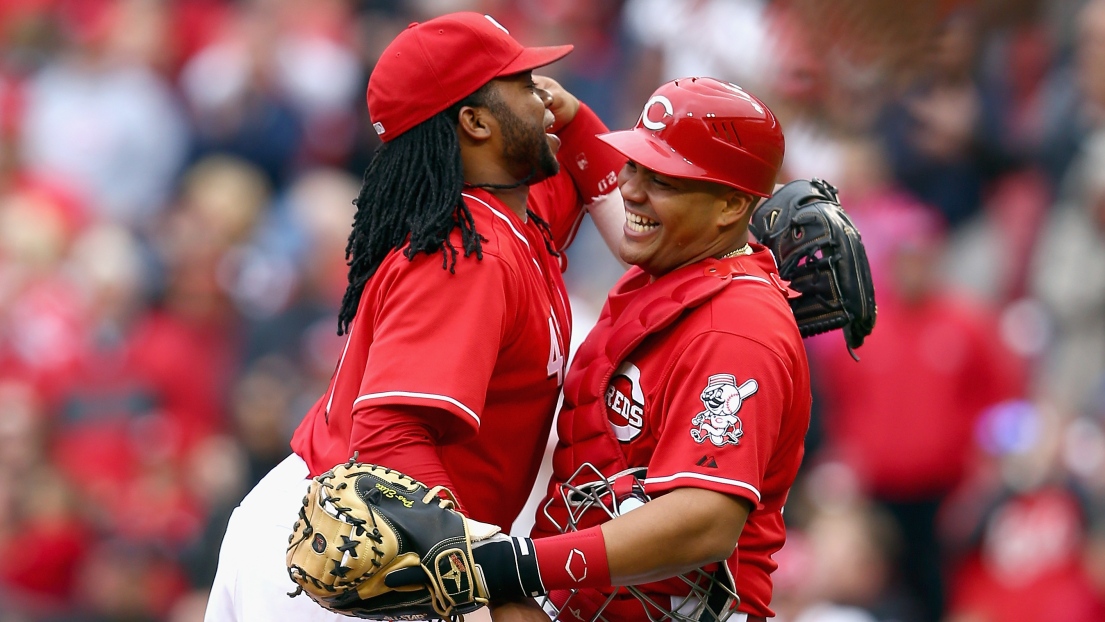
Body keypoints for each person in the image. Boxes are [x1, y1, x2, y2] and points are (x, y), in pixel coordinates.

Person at [203, 12, 627, 621]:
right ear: (476, 123)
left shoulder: (507, 215)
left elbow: (617, 204)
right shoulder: (463, 257)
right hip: (345, 558)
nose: (545, 95)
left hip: (370, 542)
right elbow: (390, 440)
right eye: (523, 81)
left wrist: (578, 118)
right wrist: (488, 590)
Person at [462, 77, 810, 622]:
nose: (630, 189)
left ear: (731, 204)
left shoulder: (735, 328)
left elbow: (705, 520)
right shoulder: (671, 272)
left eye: (663, 179)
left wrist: (521, 566)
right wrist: (575, 122)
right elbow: (617, 194)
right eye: (633, 164)